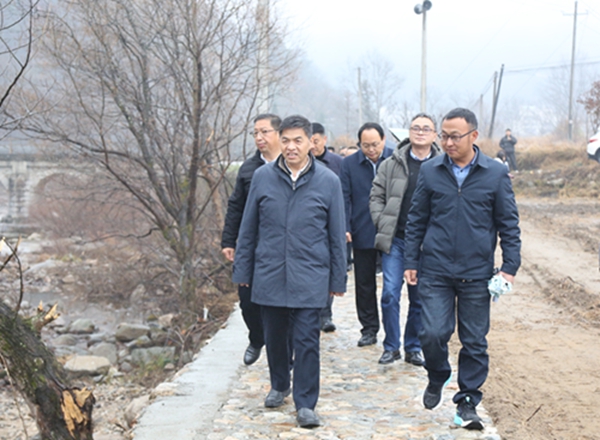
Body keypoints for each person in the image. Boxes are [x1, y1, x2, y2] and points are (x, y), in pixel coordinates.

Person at [403, 108, 521, 431]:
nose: (448, 142)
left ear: (474, 136)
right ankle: (438, 372)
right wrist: (411, 260)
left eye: (455, 136)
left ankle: (467, 402)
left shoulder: (495, 174)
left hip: (477, 272)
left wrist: (509, 267)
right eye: (444, 136)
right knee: (431, 333)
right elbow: (416, 219)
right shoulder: (431, 171)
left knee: (474, 341)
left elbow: (508, 224)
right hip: (435, 270)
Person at [233, 115, 346, 428]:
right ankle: (279, 384)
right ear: (279, 142)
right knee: (275, 336)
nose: (291, 146)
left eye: (298, 140)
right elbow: (248, 228)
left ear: (311, 142)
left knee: (307, 339)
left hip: (310, 273)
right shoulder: (262, 177)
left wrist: (337, 278)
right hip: (269, 271)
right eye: (286, 140)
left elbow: (336, 234)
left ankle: (306, 403)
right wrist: (243, 271)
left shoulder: (328, 181)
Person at [369, 113, 441, 366]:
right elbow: (376, 195)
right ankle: (391, 346)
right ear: (408, 132)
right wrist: (382, 221)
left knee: (419, 298)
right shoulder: (391, 164)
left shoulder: (443, 165)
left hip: (427, 244)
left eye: (426, 129)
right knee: (390, 294)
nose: (420, 132)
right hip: (396, 240)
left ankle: (413, 346)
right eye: (415, 128)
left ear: (434, 135)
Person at [221, 113, 281, 366]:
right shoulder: (248, 168)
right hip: (251, 243)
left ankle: (284, 351)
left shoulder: (291, 165)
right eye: (255, 133)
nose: (259, 137)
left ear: (279, 133)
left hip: (281, 244)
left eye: (264, 132)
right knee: (246, 299)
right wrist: (229, 240)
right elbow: (235, 206)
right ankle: (257, 338)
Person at [340, 122, 393, 347]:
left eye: (375, 144)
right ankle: (369, 329)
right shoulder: (349, 164)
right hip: (362, 229)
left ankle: (393, 332)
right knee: (364, 284)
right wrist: (345, 226)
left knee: (392, 286)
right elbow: (344, 197)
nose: (371, 149)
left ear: (383, 140)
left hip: (392, 231)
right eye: (365, 145)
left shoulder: (395, 159)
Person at [311, 122, 344, 333]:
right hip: (314, 224)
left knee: (329, 268)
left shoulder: (338, 164)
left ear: (324, 140)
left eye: (316, 141)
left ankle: (325, 315)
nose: (312, 145)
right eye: (309, 141)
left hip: (333, 219)